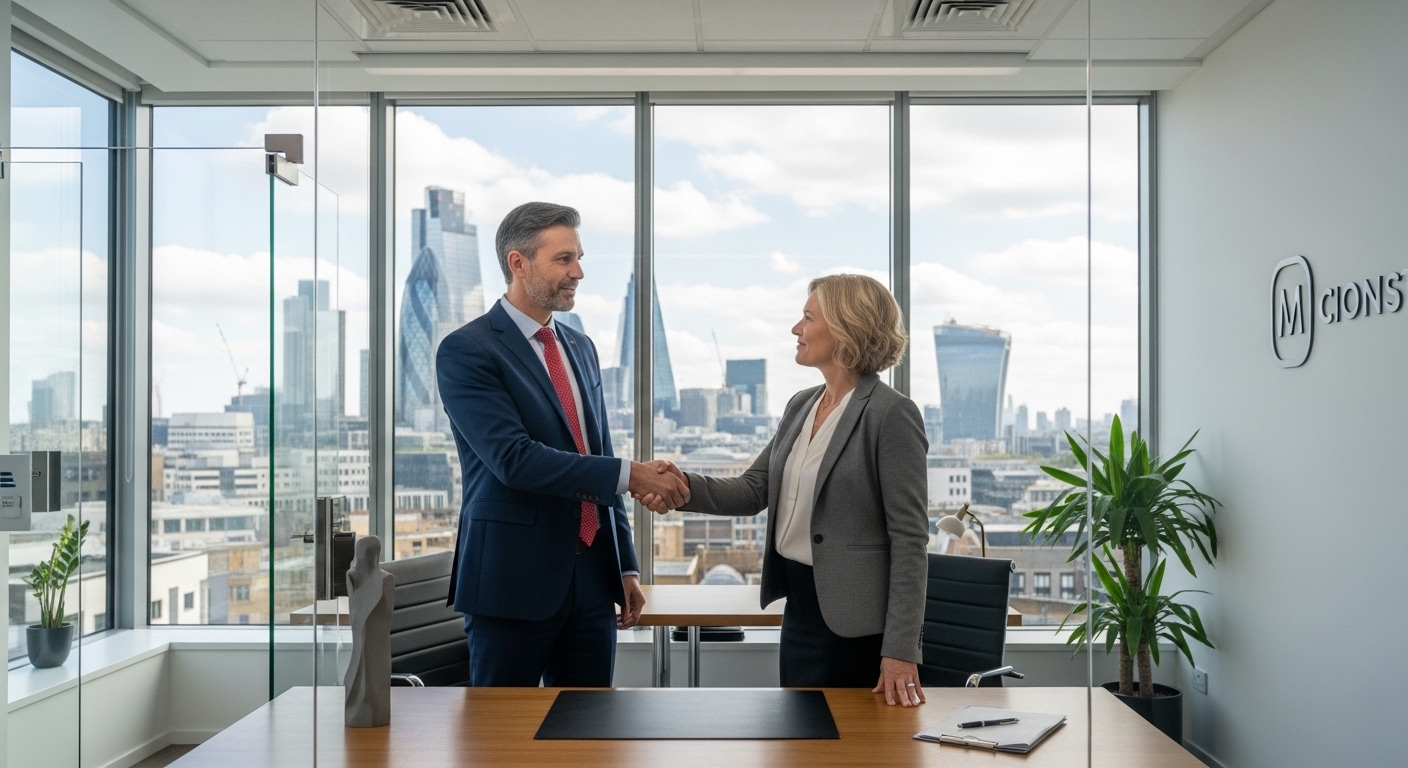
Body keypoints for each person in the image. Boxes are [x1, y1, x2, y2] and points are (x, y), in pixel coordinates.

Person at [637, 274, 930, 706]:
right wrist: (681, 486)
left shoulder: (891, 414)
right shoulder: (802, 404)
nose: (796, 329)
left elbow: (910, 540)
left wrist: (901, 651)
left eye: (808, 318)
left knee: (852, 749)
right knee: (801, 737)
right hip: (801, 610)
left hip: (859, 624)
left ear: (847, 327)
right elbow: (755, 488)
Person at [436, 201, 690, 687]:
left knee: (591, 738)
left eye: (578, 257)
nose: (578, 272)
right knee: (500, 744)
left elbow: (595, 453)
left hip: (594, 582)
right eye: (563, 259)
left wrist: (626, 566)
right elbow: (514, 460)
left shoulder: (580, 347)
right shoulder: (467, 350)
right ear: (518, 262)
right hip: (512, 582)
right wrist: (634, 474)